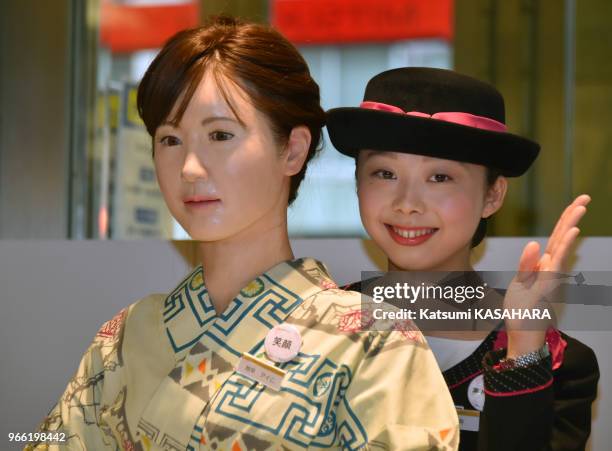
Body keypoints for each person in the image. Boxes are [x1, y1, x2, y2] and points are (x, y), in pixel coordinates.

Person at [27, 21, 459, 450]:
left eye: (220, 135)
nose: (190, 169)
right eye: (170, 139)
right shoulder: (122, 337)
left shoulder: (373, 341)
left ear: (292, 149)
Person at [326, 67, 599, 451]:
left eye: (440, 177)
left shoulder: (557, 364)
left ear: (493, 195)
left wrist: (520, 356)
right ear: (357, 183)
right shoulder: (313, 327)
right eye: (385, 173)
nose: (407, 204)